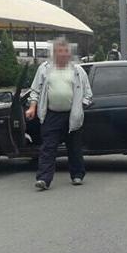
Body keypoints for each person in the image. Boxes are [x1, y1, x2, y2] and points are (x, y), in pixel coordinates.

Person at [26, 38, 92, 190]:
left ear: (70, 54)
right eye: (59, 51)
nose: (63, 54)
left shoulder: (77, 71)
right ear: (54, 53)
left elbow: (87, 93)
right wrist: (32, 107)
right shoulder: (45, 68)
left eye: (66, 51)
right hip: (51, 114)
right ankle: (44, 179)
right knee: (48, 148)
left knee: (74, 147)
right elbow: (35, 90)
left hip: (72, 115)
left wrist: (81, 106)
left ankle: (77, 175)